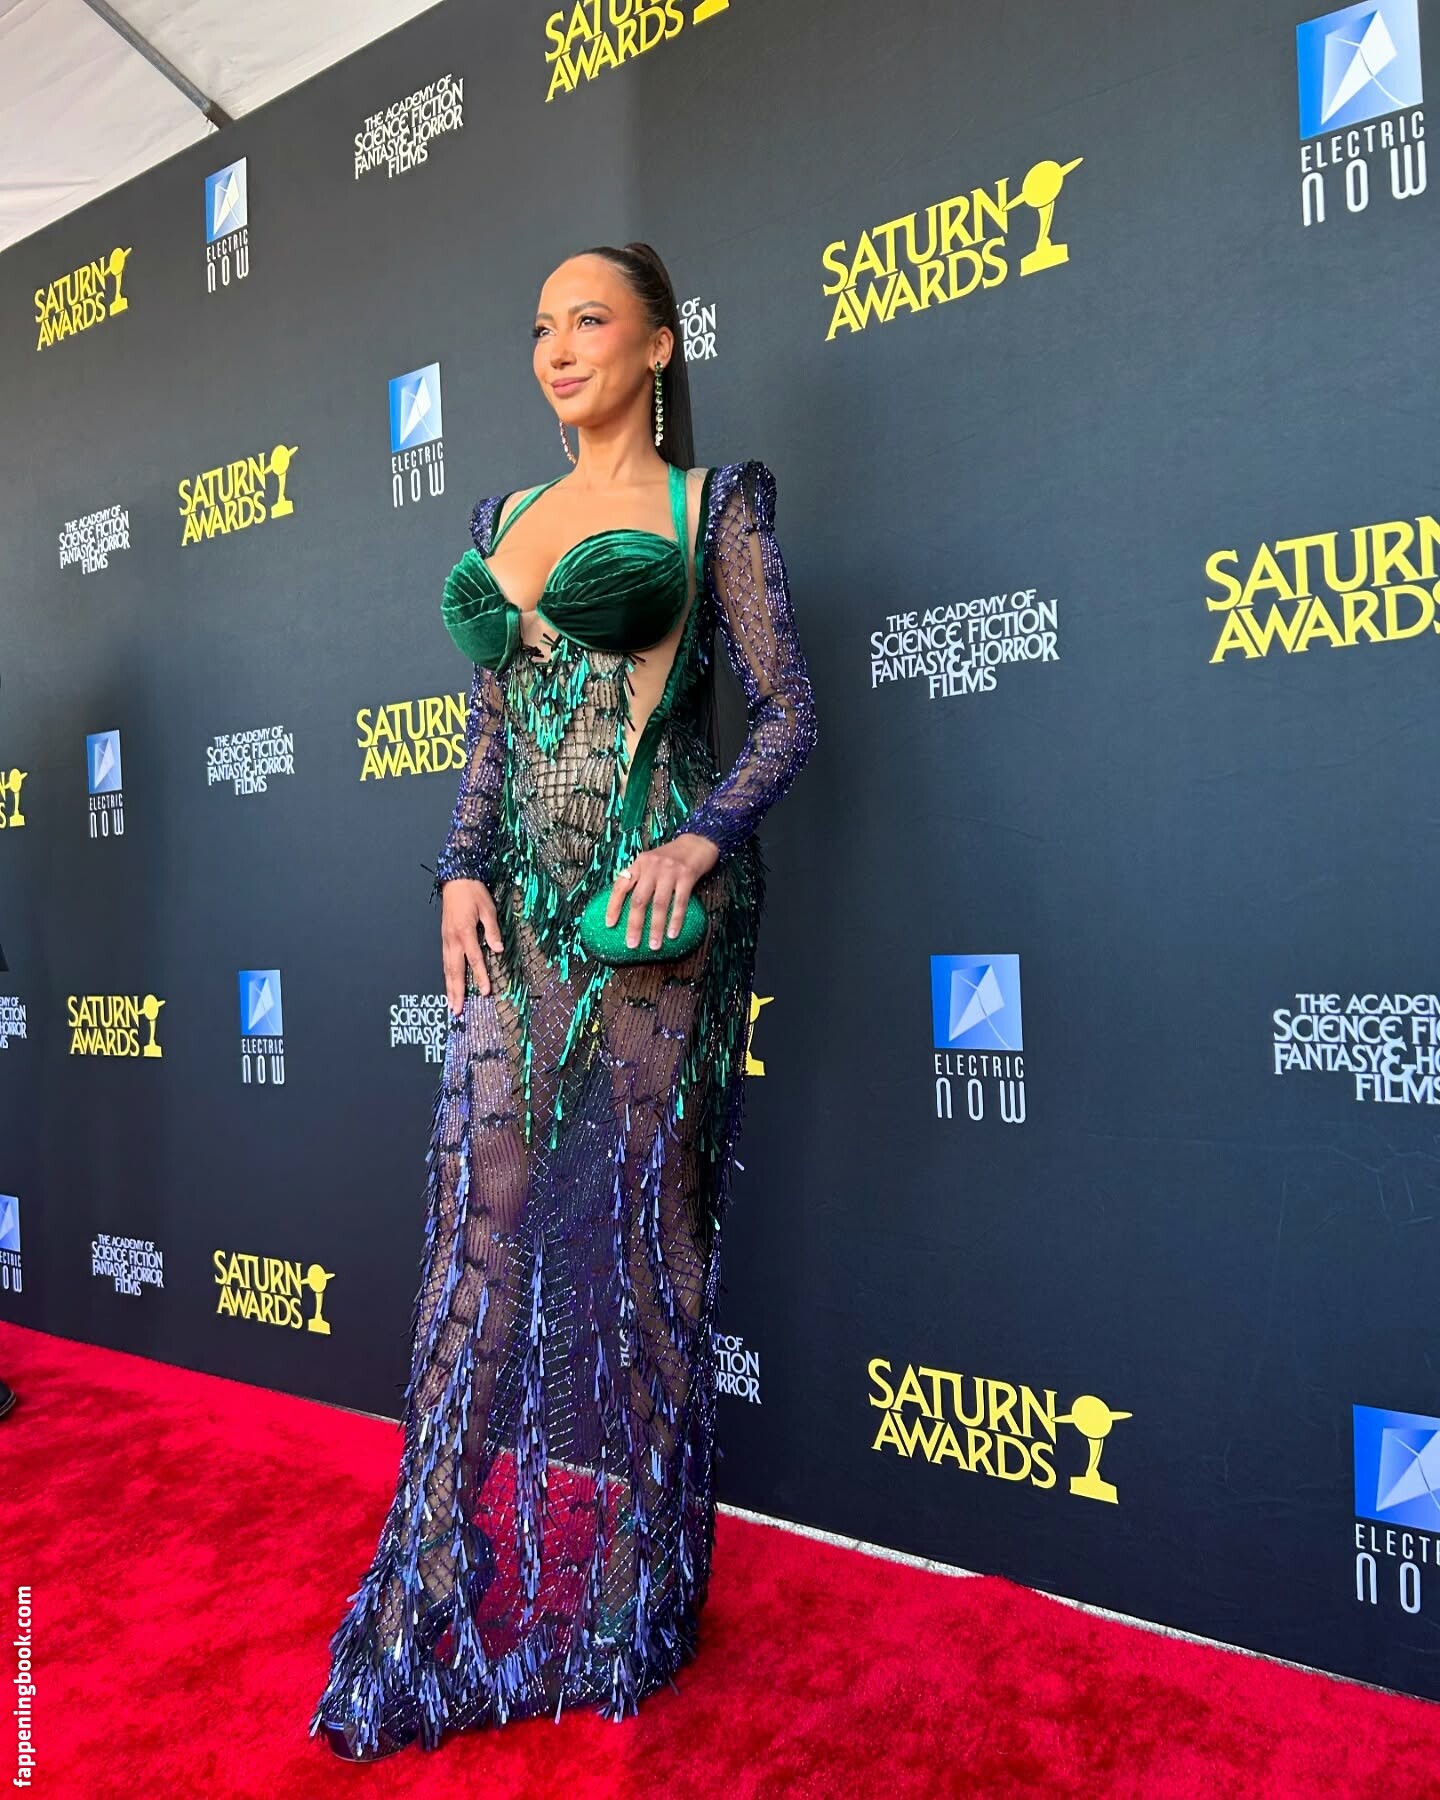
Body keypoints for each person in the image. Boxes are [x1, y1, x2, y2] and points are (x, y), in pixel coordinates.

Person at [311, 241, 818, 1761]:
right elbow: (491, 733)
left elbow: (787, 711)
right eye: (541, 325)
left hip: (656, 916)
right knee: (479, 1229)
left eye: (589, 319)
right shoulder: (503, 517)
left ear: (659, 345)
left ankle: (639, 1582)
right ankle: (430, 1567)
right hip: (518, 919)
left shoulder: (712, 506)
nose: (557, 346)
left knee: (655, 1241)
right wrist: (458, 870)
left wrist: (697, 839)